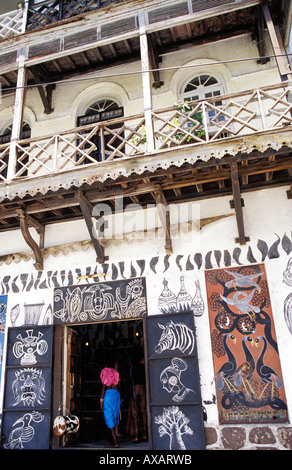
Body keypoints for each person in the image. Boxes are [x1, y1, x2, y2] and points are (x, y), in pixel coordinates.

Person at [100, 361, 121, 447]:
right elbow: (120, 387)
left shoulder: (105, 372)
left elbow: (103, 388)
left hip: (108, 396)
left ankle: (115, 441)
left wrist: (101, 401)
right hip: (116, 396)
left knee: (109, 418)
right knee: (115, 417)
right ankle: (113, 440)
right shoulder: (116, 374)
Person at [127, 354, 147, 442]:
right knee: (143, 411)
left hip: (135, 390)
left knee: (135, 413)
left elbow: (130, 380)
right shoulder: (144, 368)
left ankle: (136, 435)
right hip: (143, 389)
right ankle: (145, 434)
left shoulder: (132, 368)